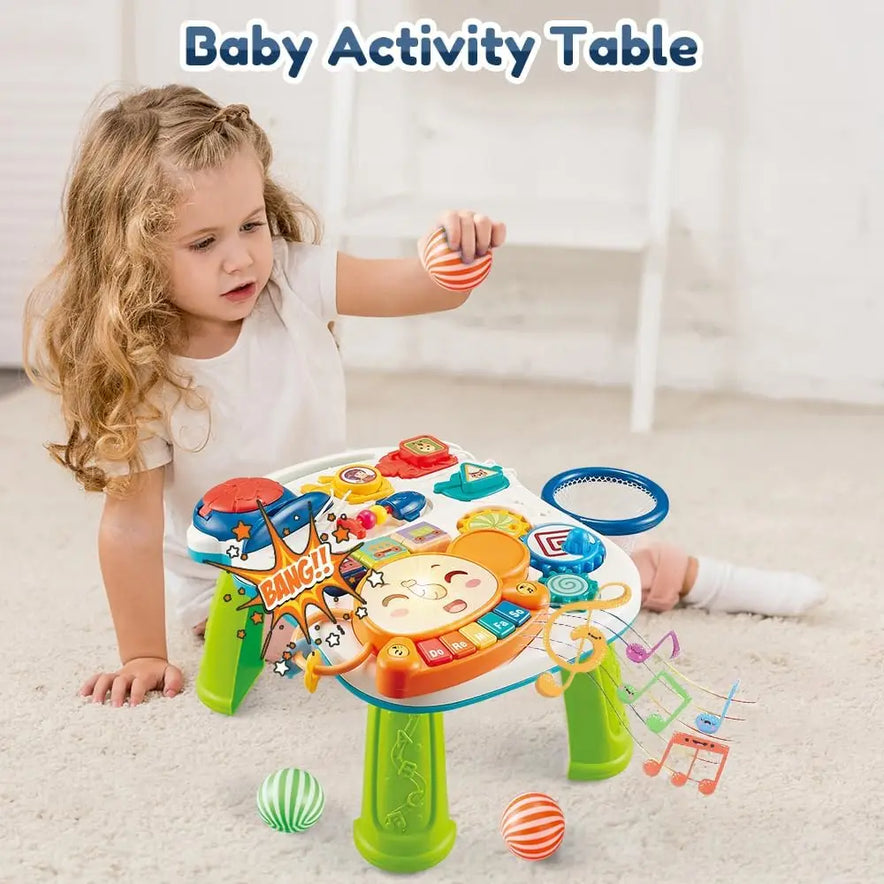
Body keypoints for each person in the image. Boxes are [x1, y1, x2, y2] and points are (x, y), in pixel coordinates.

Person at [23, 85, 824, 708]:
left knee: (501, 556)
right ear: (129, 260)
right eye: (205, 243)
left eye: (252, 223)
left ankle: (666, 572)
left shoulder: (294, 279)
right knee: (394, 636)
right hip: (244, 591)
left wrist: (452, 258)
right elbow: (128, 527)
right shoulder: (140, 371)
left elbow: (424, 288)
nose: (243, 258)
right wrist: (142, 655)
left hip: (356, 531)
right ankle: (641, 577)